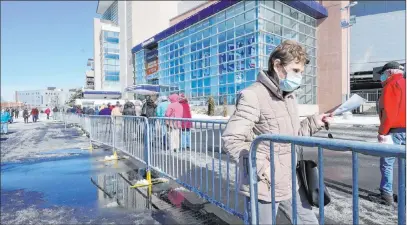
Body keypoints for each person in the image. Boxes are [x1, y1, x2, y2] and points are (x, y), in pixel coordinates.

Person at [221, 40, 331, 224]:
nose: (299, 77)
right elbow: (232, 139)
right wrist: (262, 168)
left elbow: (292, 136)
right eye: (296, 70)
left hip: (290, 181)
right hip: (265, 184)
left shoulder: (289, 97)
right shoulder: (253, 95)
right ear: (277, 65)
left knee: (309, 221)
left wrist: (314, 122)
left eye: (301, 72)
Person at [376, 61, 406, 206]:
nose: (382, 77)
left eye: (383, 74)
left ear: (389, 72)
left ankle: (386, 194)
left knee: (387, 163)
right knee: (404, 164)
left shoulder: (390, 85)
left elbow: (389, 112)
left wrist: (382, 132)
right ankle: (403, 195)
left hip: (393, 131)